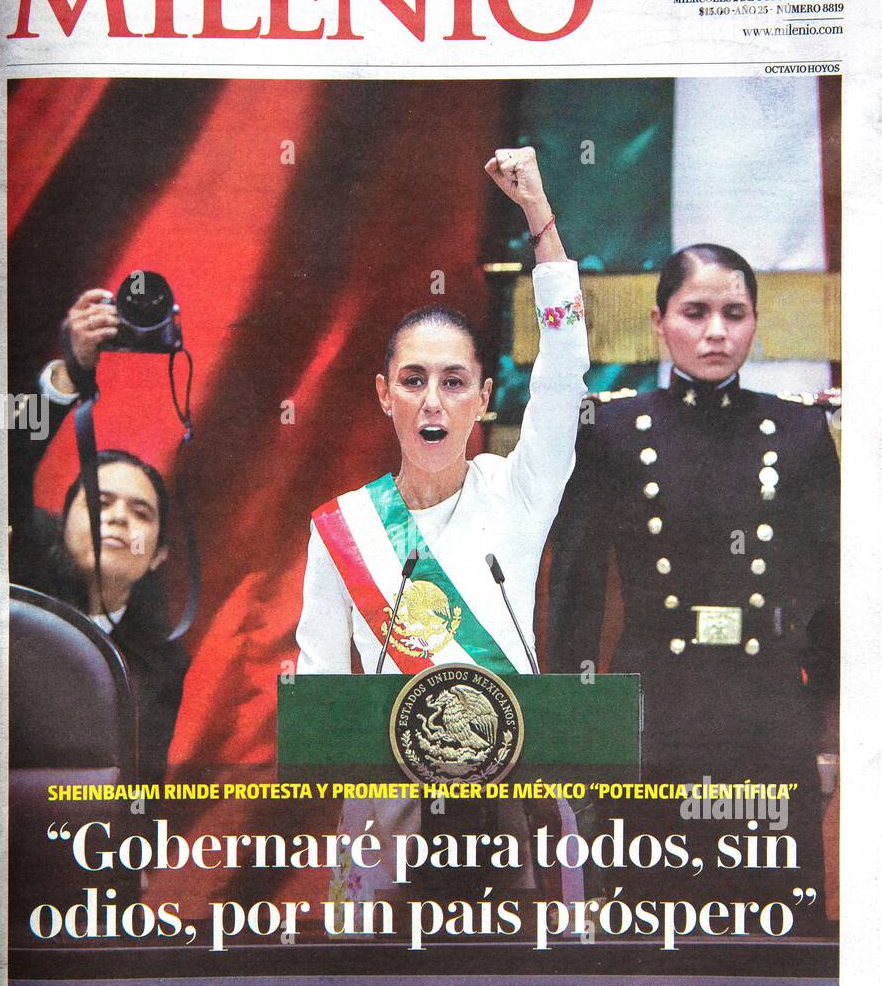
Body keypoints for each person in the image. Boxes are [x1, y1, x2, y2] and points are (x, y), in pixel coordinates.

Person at [295, 149, 589, 904]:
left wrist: (538, 215)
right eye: (413, 381)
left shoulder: (519, 494)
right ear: (382, 395)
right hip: (389, 811)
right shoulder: (342, 528)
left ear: (483, 399)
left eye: (454, 383)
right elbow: (323, 695)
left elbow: (563, 364)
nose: (433, 402)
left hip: (512, 801)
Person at [547, 244, 839, 923]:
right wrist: (578, 728)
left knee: (769, 919)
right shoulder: (613, 432)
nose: (715, 331)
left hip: (765, 708)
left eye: (733, 313)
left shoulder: (797, 433)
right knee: (646, 917)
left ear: (754, 321)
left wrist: (823, 733)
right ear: (658, 321)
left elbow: (825, 592)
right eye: (695, 311)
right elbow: (576, 591)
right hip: (653, 715)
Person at [9, 289, 189, 780]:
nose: (117, 520)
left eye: (140, 513)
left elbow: (142, 793)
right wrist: (69, 374)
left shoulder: (164, 663)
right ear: (57, 523)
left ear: (158, 556)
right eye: (98, 503)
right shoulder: (16, 596)